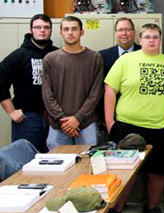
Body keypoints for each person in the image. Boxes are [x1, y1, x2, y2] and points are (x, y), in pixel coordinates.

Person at [104, 23, 164, 213]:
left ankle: (153, 208)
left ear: (160, 40)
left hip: (161, 126)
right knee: (127, 174)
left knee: (158, 172)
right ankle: (116, 211)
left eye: (155, 37)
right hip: (128, 126)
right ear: (140, 39)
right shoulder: (126, 60)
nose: (151, 40)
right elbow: (110, 90)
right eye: (147, 37)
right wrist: (110, 122)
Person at [42, 16, 103, 150]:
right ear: (60, 32)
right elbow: (47, 94)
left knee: (87, 166)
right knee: (58, 167)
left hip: (87, 124)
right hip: (59, 125)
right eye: (66, 29)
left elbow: (96, 92)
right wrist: (63, 120)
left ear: (82, 32)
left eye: (74, 29)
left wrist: (77, 118)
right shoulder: (50, 59)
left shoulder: (95, 58)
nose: (70, 32)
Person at [0, 14, 58, 153]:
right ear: (31, 30)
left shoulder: (58, 54)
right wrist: (11, 111)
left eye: (46, 27)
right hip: (27, 120)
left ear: (51, 30)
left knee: (56, 161)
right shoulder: (19, 55)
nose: (42, 30)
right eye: (38, 27)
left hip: (55, 118)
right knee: (26, 162)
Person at [98, 17, 141, 142]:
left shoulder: (145, 53)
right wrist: (105, 118)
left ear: (134, 32)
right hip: (113, 117)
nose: (124, 33)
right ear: (115, 33)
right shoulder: (103, 56)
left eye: (127, 29)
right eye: (120, 30)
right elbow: (99, 88)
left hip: (140, 114)